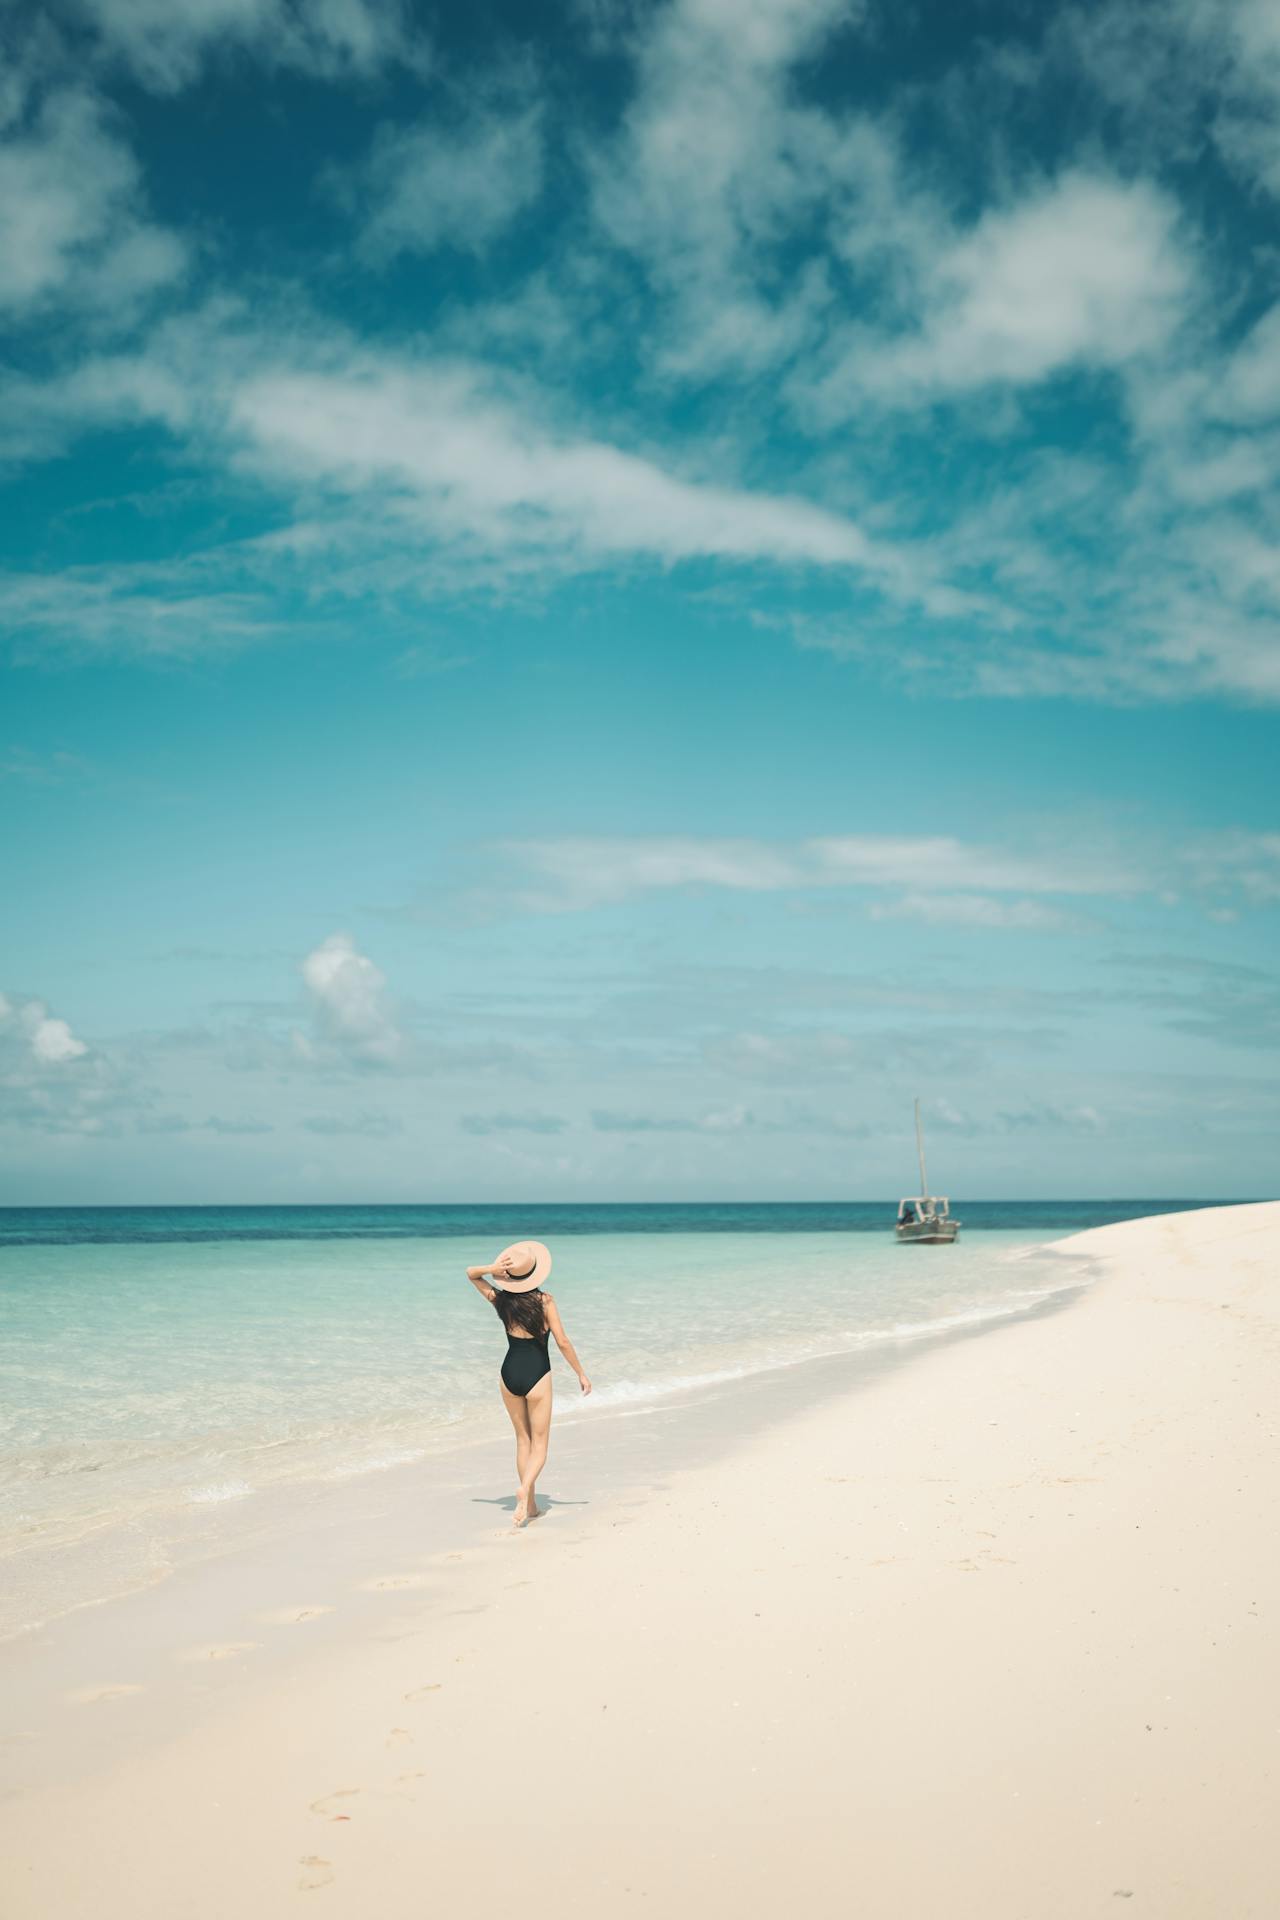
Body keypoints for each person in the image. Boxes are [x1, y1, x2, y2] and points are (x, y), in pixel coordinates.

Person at [466, 1240, 592, 1528]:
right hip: (537, 1374)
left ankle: (530, 1504)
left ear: (510, 1275)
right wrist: (581, 1373)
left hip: (508, 1373)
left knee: (522, 1441)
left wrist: (493, 1269)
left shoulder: (501, 1300)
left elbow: (471, 1273)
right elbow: (562, 1341)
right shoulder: (545, 1301)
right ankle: (525, 1488)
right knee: (540, 1445)